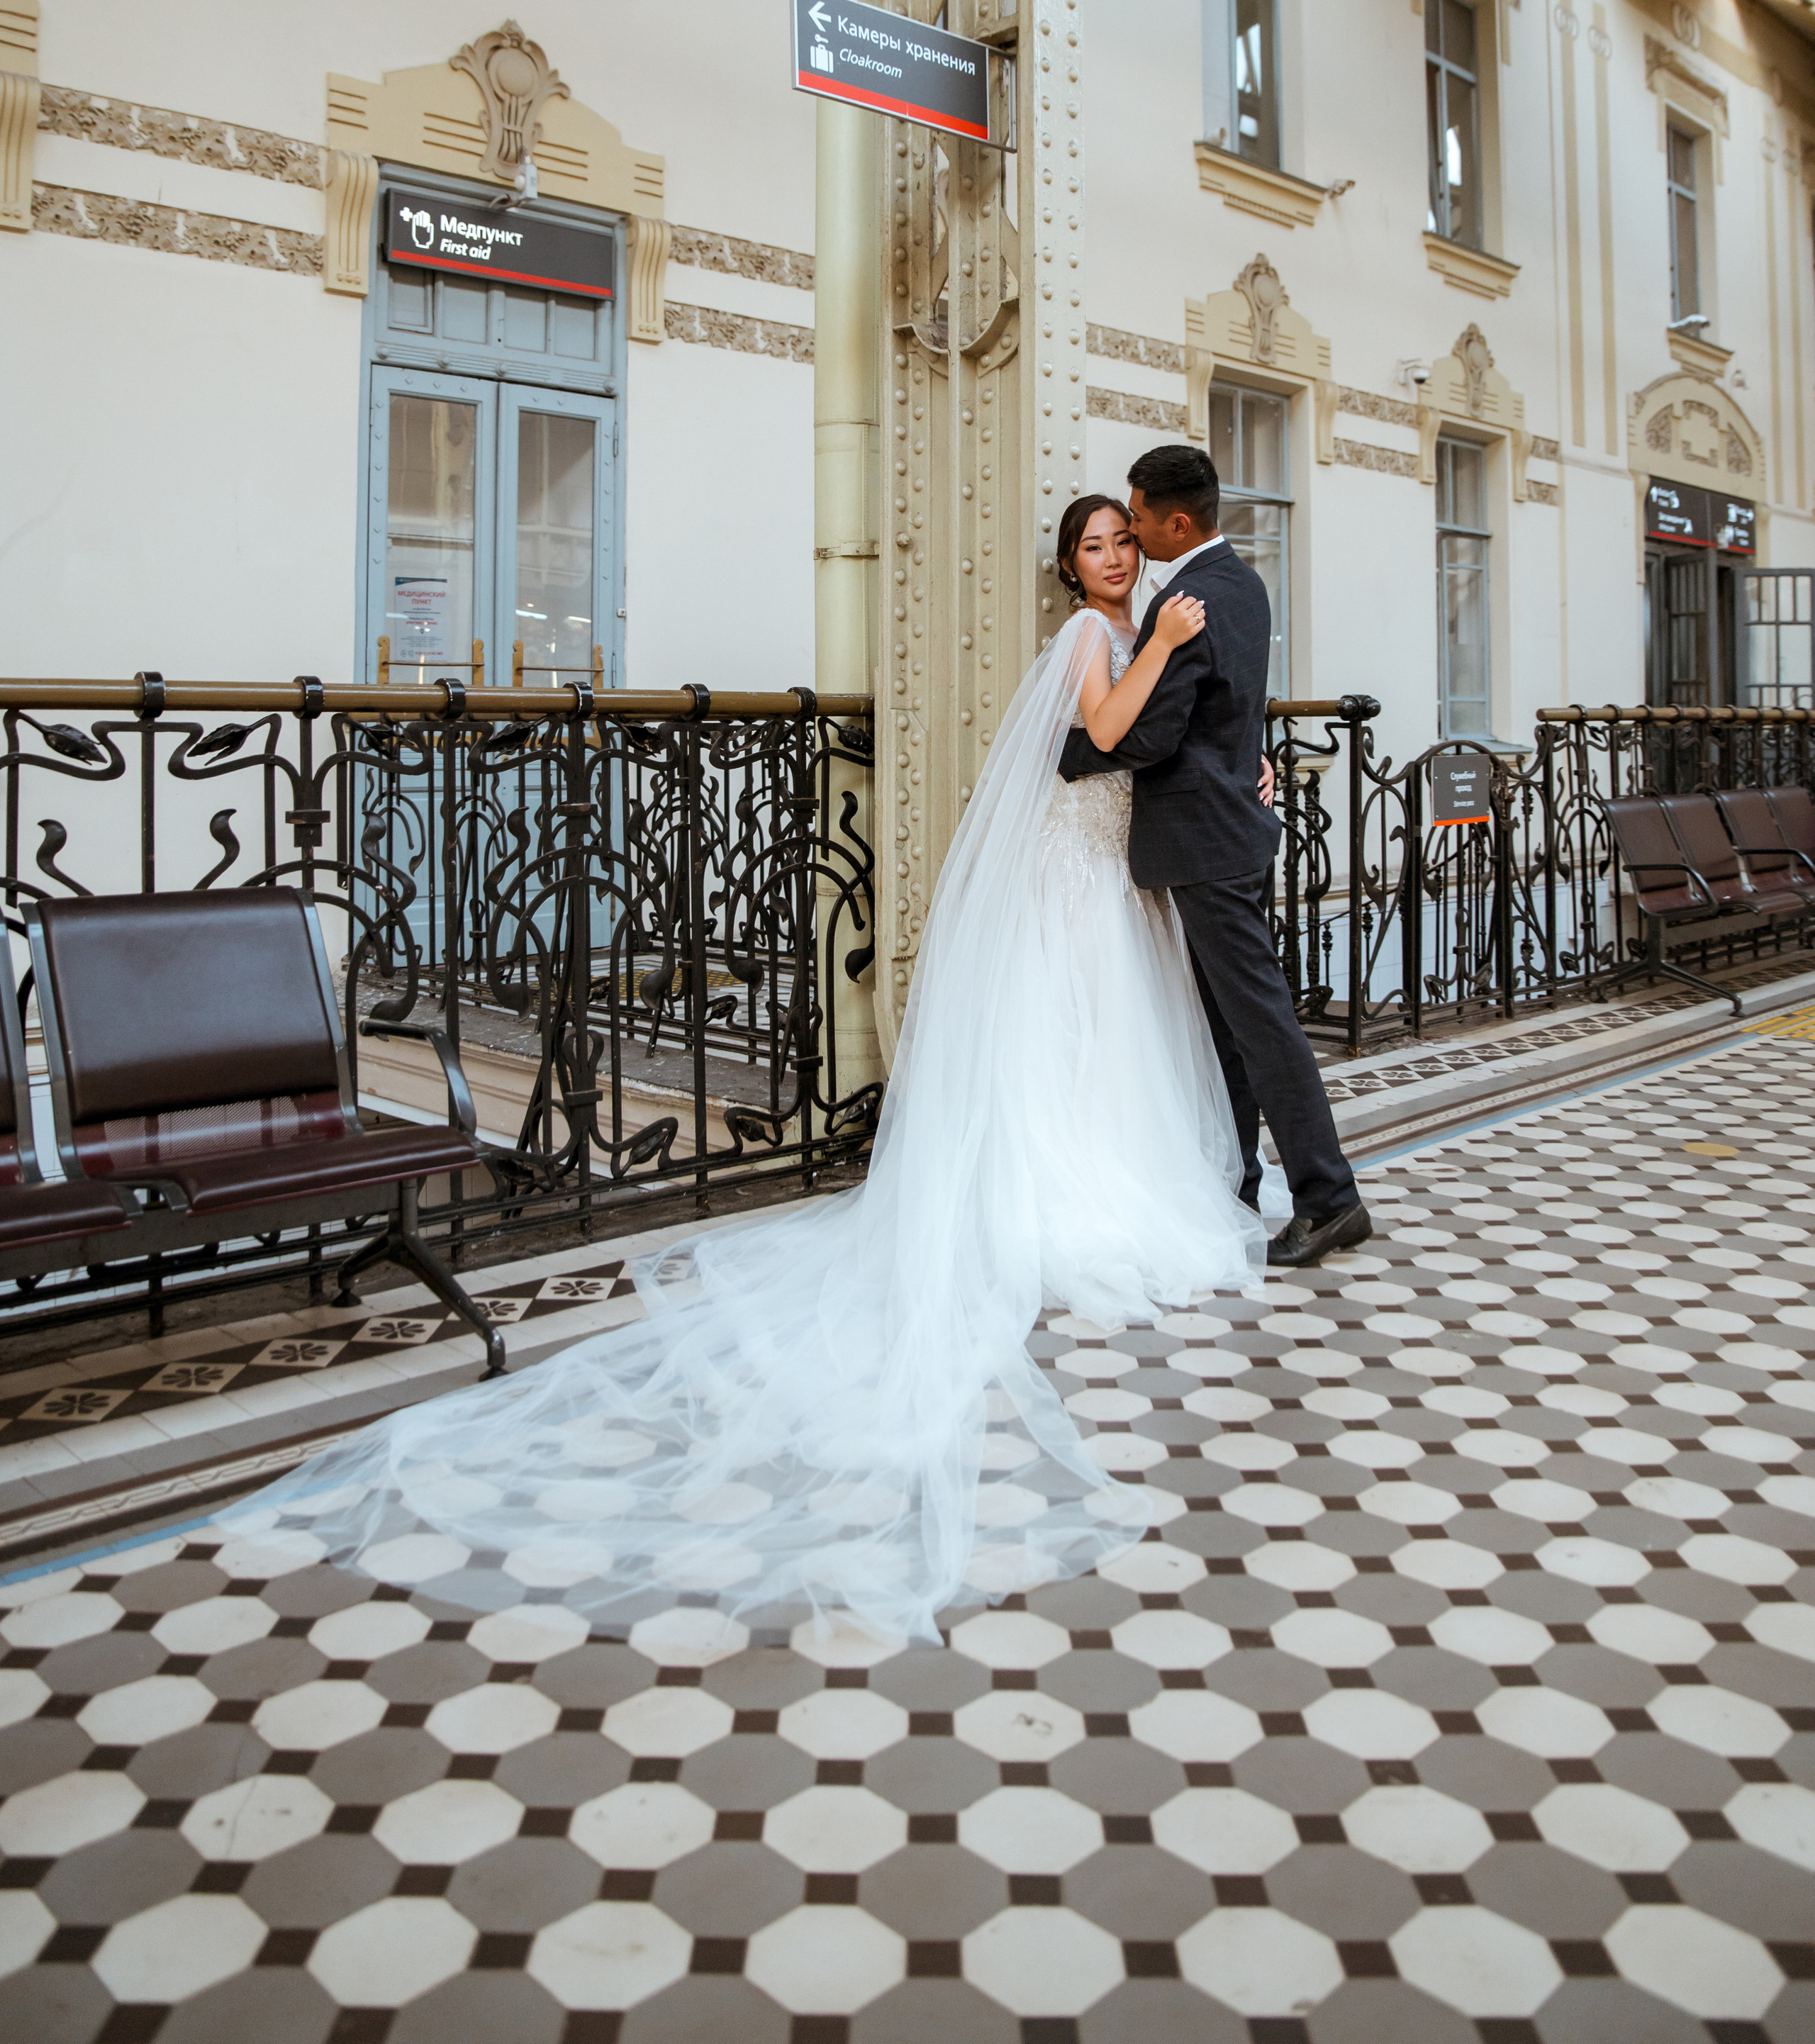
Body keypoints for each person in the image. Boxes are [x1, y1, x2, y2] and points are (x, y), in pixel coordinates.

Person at [219, 500, 1288, 1646]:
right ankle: (1065, 1188)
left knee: (1103, 1036)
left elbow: (1173, 735)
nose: (1117, 558)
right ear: (1069, 569)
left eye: (1126, 541)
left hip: (1110, 865)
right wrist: (1167, 648)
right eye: (1095, 546)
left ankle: (1114, 1167)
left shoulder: (1144, 629)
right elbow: (1118, 732)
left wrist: (1242, 759)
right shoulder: (1096, 638)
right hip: (1074, 864)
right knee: (1070, 1032)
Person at [1060, 442, 1370, 1268]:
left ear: (1177, 523)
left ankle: (1329, 1198)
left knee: (1260, 1022)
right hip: (1228, 825)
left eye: (1136, 522)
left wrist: (1067, 754)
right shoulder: (1243, 580)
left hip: (1204, 838)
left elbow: (1154, 733)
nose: (1128, 533)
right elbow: (1236, 705)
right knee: (1228, 1026)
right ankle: (1230, 1179)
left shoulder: (1192, 595)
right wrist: (1248, 761)